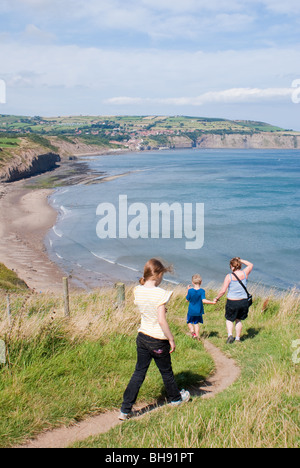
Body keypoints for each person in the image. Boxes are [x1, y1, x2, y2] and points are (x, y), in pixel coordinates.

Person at [119, 258, 190, 420]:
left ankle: (125, 409)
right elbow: (161, 321)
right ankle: (176, 399)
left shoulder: (137, 290)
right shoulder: (161, 294)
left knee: (139, 373)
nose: (162, 278)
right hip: (158, 339)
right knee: (166, 372)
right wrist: (171, 339)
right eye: (162, 274)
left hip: (142, 336)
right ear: (157, 275)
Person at [214, 258, 253, 344]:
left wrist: (216, 298)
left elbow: (223, 291)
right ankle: (238, 339)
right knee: (238, 320)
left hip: (232, 302)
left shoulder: (229, 276)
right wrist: (240, 260)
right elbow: (250, 265)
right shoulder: (245, 273)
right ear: (239, 265)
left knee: (229, 319)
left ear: (232, 267)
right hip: (243, 301)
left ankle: (230, 335)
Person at [186, 274, 216, 340]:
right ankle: (197, 336)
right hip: (198, 311)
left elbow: (187, 300)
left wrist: (188, 290)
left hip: (191, 311)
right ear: (201, 282)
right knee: (196, 323)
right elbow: (204, 300)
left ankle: (193, 333)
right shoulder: (202, 291)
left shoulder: (190, 291)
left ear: (192, 282)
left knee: (189, 322)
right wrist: (212, 302)